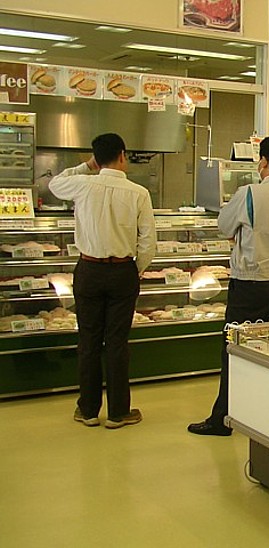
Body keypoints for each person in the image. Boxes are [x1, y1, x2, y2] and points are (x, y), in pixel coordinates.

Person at [188, 135, 269, 436]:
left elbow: (224, 226)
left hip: (250, 284)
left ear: (263, 161)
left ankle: (222, 419)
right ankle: (264, 417)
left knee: (234, 349)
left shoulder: (249, 193)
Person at [49, 133, 156, 428]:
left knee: (89, 341)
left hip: (89, 270)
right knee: (118, 343)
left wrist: (87, 166)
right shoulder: (139, 193)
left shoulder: (83, 184)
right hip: (123, 271)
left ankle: (87, 410)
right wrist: (134, 270)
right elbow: (148, 242)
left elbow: (54, 183)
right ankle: (119, 412)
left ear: (96, 159)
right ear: (122, 155)